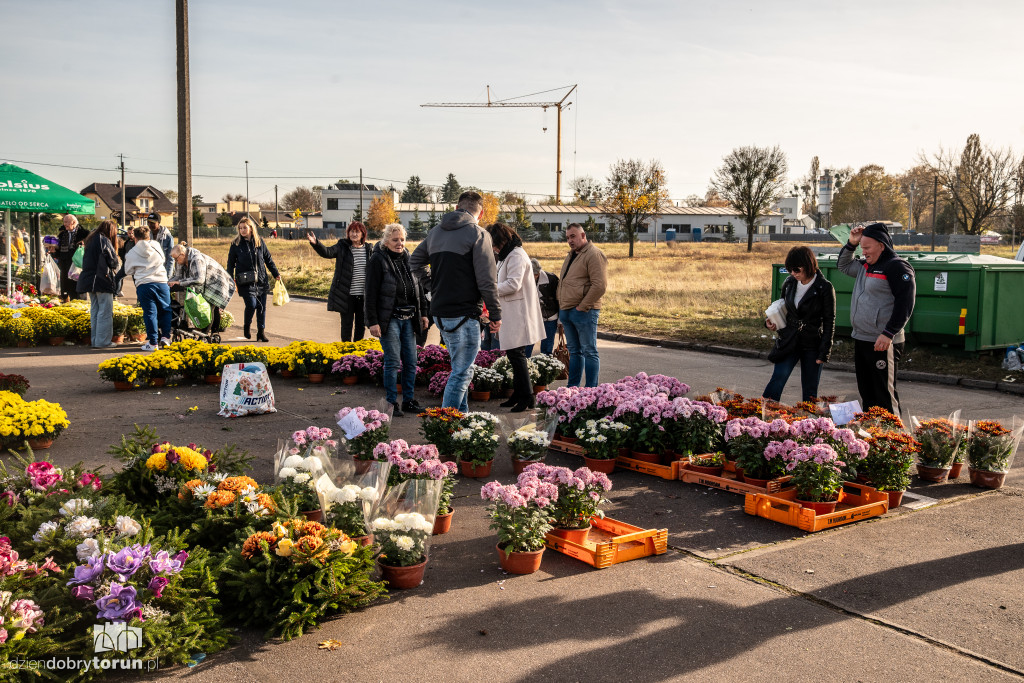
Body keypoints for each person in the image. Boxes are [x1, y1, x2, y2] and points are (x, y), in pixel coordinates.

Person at [410, 190, 502, 413]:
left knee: (460, 368)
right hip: (465, 313)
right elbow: (487, 280)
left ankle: (461, 421)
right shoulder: (478, 234)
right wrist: (496, 314)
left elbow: (415, 262)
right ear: (481, 213)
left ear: (456, 207)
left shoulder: (435, 232)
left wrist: (433, 286)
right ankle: (447, 425)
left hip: (441, 312)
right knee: (462, 372)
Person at [838, 222, 916, 416]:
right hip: (862, 337)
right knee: (868, 393)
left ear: (881, 245)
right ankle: (872, 437)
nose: (863, 252)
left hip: (882, 341)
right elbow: (843, 265)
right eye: (861, 247)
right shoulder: (865, 266)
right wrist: (851, 244)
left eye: (867, 247)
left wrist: (888, 333)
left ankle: (897, 439)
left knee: (884, 395)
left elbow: (905, 303)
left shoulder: (896, 267)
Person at [366, 223, 430, 417]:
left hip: (409, 318)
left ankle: (409, 401)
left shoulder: (409, 258)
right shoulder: (378, 259)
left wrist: (424, 313)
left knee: (411, 361)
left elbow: (419, 290)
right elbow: (370, 293)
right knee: (393, 362)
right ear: (386, 241)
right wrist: (372, 321)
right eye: (395, 240)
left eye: (402, 239)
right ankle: (391, 404)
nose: (399, 243)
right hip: (389, 319)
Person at [762, 246, 836, 403]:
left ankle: (807, 424)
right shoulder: (789, 282)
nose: (793, 274)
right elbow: (781, 307)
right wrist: (771, 322)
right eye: (790, 270)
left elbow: (830, 320)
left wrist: (824, 351)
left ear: (808, 265)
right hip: (789, 339)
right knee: (778, 378)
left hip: (812, 343)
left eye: (796, 270)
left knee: (810, 388)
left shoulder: (825, 287)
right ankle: (764, 416)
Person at [486, 223, 545, 411]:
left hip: (519, 313)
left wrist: (489, 289)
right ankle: (519, 393)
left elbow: (513, 284)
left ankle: (527, 396)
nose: (494, 248)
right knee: (513, 355)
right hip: (512, 311)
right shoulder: (507, 255)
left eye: (495, 244)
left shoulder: (516, 255)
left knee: (517, 356)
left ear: (502, 240)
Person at [557, 223, 607, 387]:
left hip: (583, 311)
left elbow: (599, 285)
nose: (570, 240)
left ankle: (591, 391)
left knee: (589, 351)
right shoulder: (572, 255)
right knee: (574, 352)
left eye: (573, 236)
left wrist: (582, 307)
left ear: (583, 235)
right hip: (567, 310)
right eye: (567, 238)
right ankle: (573, 388)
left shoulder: (593, 254)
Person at [307, 221, 372, 341]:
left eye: (357, 231)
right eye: (351, 231)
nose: (354, 234)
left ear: (363, 234)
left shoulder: (369, 250)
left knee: (360, 326)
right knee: (346, 326)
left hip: (363, 296)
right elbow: (327, 252)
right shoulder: (342, 247)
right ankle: (346, 354)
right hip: (346, 295)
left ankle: (357, 354)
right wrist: (316, 244)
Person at [227, 217, 280, 341]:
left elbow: (268, 259)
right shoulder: (235, 244)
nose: (242, 230)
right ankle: (247, 326)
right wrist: (230, 279)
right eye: (240, 228)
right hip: (245, 281)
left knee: (261, 307)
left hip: (261, 280)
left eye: (245, 227)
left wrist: (275, 273)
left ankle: (261, 332)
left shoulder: (259, 242)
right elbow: (230, 264)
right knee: (251, 305)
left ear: (251, 228)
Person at [168, 243, 236, 334]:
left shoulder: (197, 259)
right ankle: (213, 334)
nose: (175, 261)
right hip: (205, 283)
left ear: (182, 255)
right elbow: (177, 276)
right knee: (211, 308)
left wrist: (180, 283)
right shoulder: (181, 260)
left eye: (176, 258)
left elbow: (199, 279)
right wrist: (166, 283)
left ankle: (205, 335)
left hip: (216, 282)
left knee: (209, 308)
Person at [124, 226, 173, 351]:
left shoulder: (132, 252)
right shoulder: (156, 245)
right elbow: (163, 259)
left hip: (144, 284)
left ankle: (152, 343)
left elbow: (128, 270)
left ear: (135, 238)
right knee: (166, 310)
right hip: (161, 282)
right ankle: (166, 337)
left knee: (150, 313)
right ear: (149, 236)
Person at [76, 220, 119, 348]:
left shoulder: (91, 239)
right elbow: (113, 262)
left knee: (95, 311)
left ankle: (95, 340)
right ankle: (103, 341)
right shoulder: (104, 240)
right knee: (105, 312)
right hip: (102, 280)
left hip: (89, 279)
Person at [531, 257, 560, 356]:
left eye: (534, 275)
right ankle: (525, 367)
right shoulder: (524, 279)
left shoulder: (551, 279)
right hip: (533, 317)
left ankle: (545, 366)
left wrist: (561, 319)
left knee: (547, 347)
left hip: (550, 316)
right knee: (528, 344)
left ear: (538, 273)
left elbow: (559, 299)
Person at [57, 214, 89, 301]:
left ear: (74, 222)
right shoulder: (62, 235)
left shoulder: (85, 234)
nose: (64, 224)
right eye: (64, 222)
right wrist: (53, 250)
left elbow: (90, 249)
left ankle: (81, 305)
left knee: (79, 289)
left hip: (78, 266)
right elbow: (58, 252)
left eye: (66, 222)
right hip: (65, 266)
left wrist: (83, 245)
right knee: (68, 289)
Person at [148, 213, 175, 278]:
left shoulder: (167, 237)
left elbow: (171, 258)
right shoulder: (147, 236)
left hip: (163, 271)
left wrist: (168, 275)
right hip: (150, 271)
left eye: (153, 223)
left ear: (159, 222)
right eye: (148, 222)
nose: (150, 225)